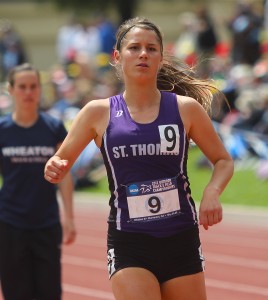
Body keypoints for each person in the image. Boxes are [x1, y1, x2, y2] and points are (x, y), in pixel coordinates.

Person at [44, 17, 234, 300]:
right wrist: (54, 166)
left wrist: (212, 191)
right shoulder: (97, 113)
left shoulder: (186, 109)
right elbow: (59, 162)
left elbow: (223, 160)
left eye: (151, 48)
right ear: (118, 57)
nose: (143, 53)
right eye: (134, 48)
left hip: (181, 237)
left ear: (160, 57)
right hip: (129, 241)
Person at [0, 63, 76, 300]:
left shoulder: (53, 128)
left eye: (33, 86)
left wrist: (70, 218)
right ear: (11, 90)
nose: (28, 92)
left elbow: (64, 177)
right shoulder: (2, 130)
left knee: (49, 292)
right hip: (9, 223)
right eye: (22, 87)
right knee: (16, 293)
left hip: (46, 223)